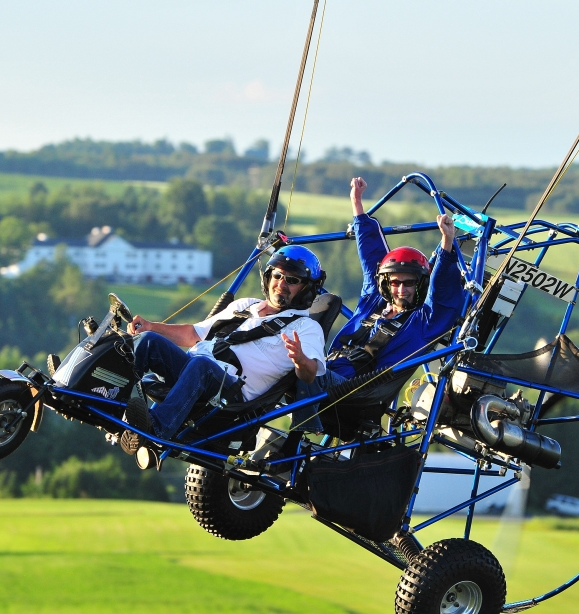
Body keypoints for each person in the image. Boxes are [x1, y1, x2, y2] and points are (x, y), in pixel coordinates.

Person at [292, 176, 464, 432]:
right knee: (279, 361)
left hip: (360, 389)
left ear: (420, 285)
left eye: (408, 284)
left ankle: (298, 435)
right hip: (331, 369)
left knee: (305, 370)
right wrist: (357, 205)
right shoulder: (373, 301)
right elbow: (372, 255)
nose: (401, 289)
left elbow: (441, 293)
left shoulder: (422, 322)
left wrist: (446, 243)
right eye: (395, 283)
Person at [125, 245, 328, 451]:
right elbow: (194, 334)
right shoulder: (245, 306)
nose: (281, 284)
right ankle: (111, 398)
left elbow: (310, 374)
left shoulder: (307, 327)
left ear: (306, 289)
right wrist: (151, 326)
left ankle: (155, 429)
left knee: (201, 366)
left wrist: (301, 359)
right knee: (148, 340)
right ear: (268, 277)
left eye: (292, 280)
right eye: (277, 275)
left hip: (230, 398)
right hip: (194, 371)